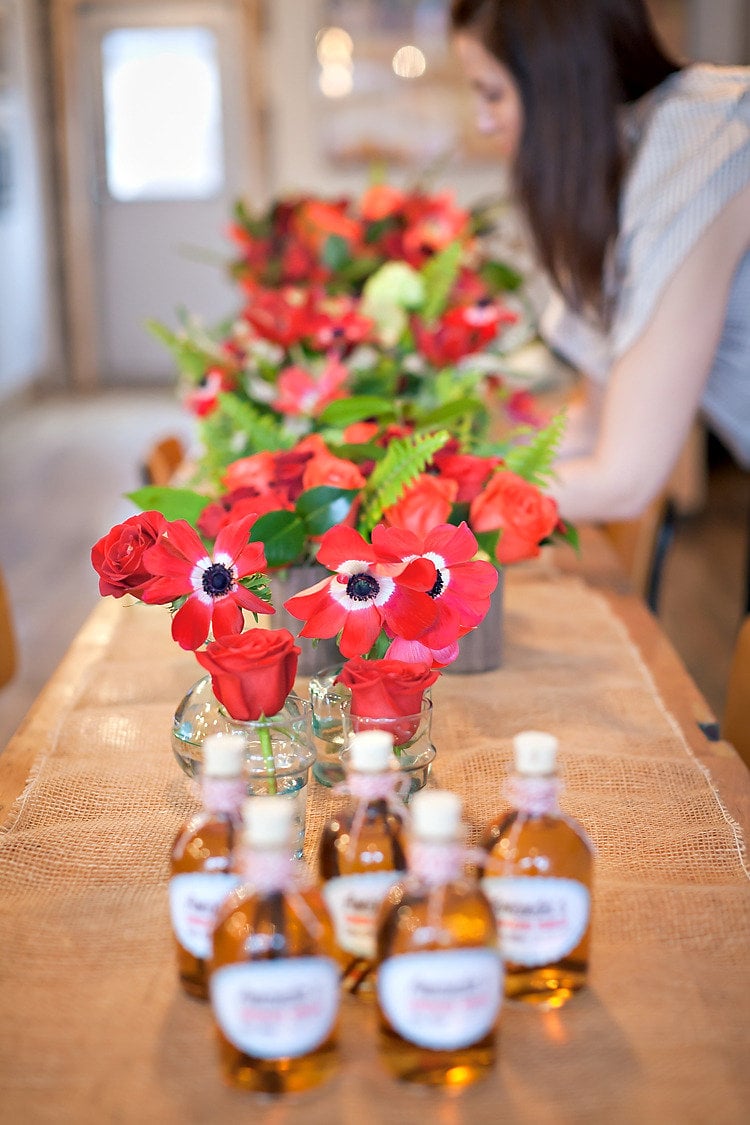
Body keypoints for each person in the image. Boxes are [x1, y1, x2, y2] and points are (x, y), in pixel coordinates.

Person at [450, 0, 750, 523]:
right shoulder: (635, 153)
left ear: (560, 86)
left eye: (493, 94)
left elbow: (623, 481)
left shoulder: (701, 144)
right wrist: (458, 470)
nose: (482, 121)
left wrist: (436, 510)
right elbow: (594, 422)